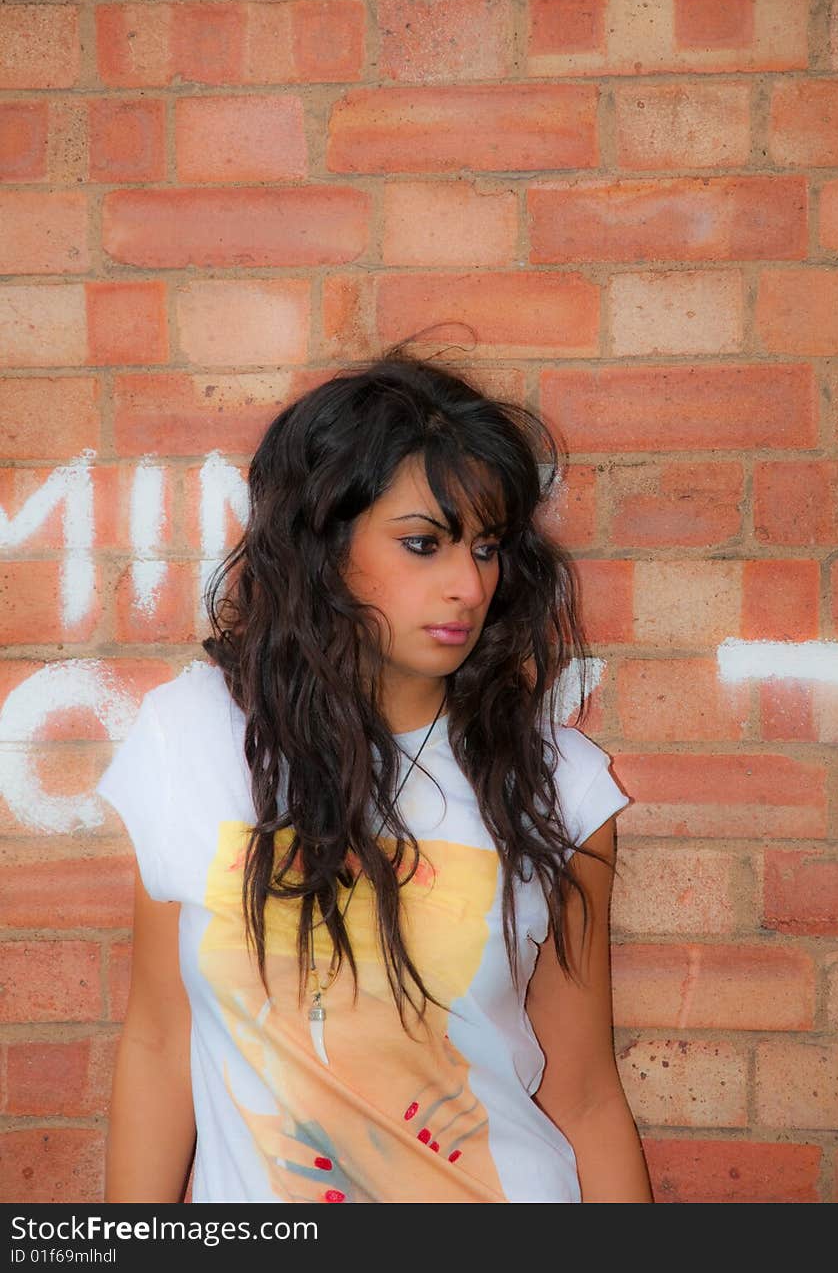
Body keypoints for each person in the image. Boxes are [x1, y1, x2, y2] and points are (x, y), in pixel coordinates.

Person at [97, 341, 653, 1204]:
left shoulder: (559, 789)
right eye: (424, 544)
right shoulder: (194, 738)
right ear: (323, 546)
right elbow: (162, 1044)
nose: (469, 585)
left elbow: (581, 1095)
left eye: (487, 547)